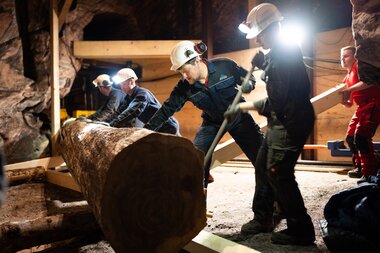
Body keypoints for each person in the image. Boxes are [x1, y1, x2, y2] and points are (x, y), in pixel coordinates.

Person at [227, 3, 316, 245]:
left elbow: (277, 99)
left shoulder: (282, 54)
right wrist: (264, 64)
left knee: (279, 172)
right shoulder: (278, 52)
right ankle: (263, 218)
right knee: (262, 164)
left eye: (260, 34)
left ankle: (301, 229)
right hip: (282, 118)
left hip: (291, 120)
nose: (257, 40)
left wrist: (243, 106)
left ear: (273, 28)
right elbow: (280, 80)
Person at [144, 40, 264, 187]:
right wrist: (144, 132)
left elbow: (249, 78)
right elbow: (166, 110)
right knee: (195, 160)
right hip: (212, 123)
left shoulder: (225, 66)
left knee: (262, 158)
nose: (184, 76)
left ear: (197, 60)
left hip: (238, 117)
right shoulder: (184, 88)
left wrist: (249, 84)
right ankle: (199, 197)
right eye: (180, 72)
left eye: (185, 70)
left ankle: (275, 199)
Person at [339, 46, 380, 181]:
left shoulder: (360, 66)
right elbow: (349, 103)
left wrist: (349, 89)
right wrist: (343, 100)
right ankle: (360, 167)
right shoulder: (347, 77)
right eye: (341, 56)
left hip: (374, 101)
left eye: (346, 56)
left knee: (361, 137)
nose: (342, 59)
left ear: (355, 56)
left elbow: (370, 81)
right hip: (362, 106)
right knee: (350, 137)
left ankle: (369, 173)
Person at [109, 68, 179, 135]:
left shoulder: (142, 94)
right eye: (120, 85)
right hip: (157, 127)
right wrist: (105, 123)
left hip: (167, 127)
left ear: (132, 81)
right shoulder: (128, 98)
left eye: (124, 84)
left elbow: (132, 111)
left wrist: (113, 125)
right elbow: (119, 111)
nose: (122, 87)